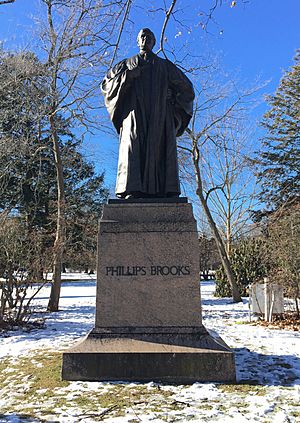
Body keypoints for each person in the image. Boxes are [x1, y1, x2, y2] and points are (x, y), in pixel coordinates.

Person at [101, 28, 195, 199]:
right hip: (134, 115)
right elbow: (107, 86)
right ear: (137, 41)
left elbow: (187, 89)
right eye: (142, 37)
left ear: (154, 41)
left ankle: (165, 191)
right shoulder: (125, 65)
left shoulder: (165, 67)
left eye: (149, 37)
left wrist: (173, 97)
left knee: (161, 149)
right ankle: (132, 189)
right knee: (133, 148)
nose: (145, 39)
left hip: (160, 116)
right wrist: (128, 76)